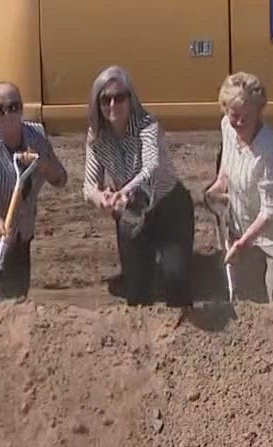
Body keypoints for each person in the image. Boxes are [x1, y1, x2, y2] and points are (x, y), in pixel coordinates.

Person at [83, 66, 193, 307]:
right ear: (97, 103)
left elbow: (150, 167)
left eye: (119, 97)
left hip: (169, 207)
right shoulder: (96, 136)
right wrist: (100, 197)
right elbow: (89, 184)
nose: (112, 105)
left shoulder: (148, 125)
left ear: (130, 98)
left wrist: (124, 191)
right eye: (105, 99)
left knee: (175, 281)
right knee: (137, 290)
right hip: (131, 212)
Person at [0, 81, 67, 298]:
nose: (7, 114)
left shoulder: (37, 135)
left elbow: (60, 180)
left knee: (17, 292)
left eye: (14, 106)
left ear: (22, 108)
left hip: (20, 227)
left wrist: (42, 162)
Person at [204, 72, 273, 303]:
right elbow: (226, 171)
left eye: (246, 117)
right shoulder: (227, 127)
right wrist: (215, 189)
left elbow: (269, 212)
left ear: (259, 112)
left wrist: (242, 244)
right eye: (234, 116)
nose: (239, 123)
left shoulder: (269, 150)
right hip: (244, 226)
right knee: (245, 295)